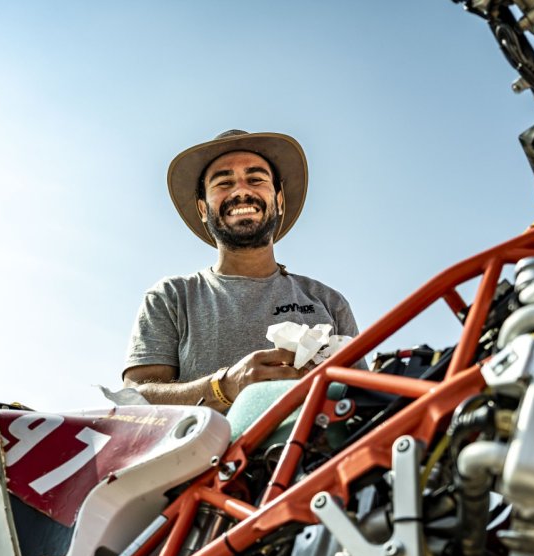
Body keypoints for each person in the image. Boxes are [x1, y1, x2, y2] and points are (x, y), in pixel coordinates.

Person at [123, 130, 359, 411]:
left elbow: (363, 398)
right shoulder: (171, 297)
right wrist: (224, 387)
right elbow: (133, 402)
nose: (241, 191)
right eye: (224, 182)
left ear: (279, 200)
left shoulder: (328, 302)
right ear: (202, 208)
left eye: (256, 179)